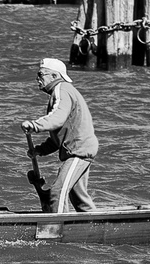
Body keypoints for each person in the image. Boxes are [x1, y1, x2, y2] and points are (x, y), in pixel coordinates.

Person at [21, 58, 98, 213]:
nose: (37, 79)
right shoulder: (59, 92)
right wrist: (40, 150)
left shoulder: (62, 89)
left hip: (79, 151)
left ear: (55, 76)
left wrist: (35, 125)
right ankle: (95, 224)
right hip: (78, 150)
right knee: (79, 199)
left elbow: (57, 118)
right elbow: (58, 138)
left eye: (41, 74)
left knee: (58, 191)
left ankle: (56, 229)